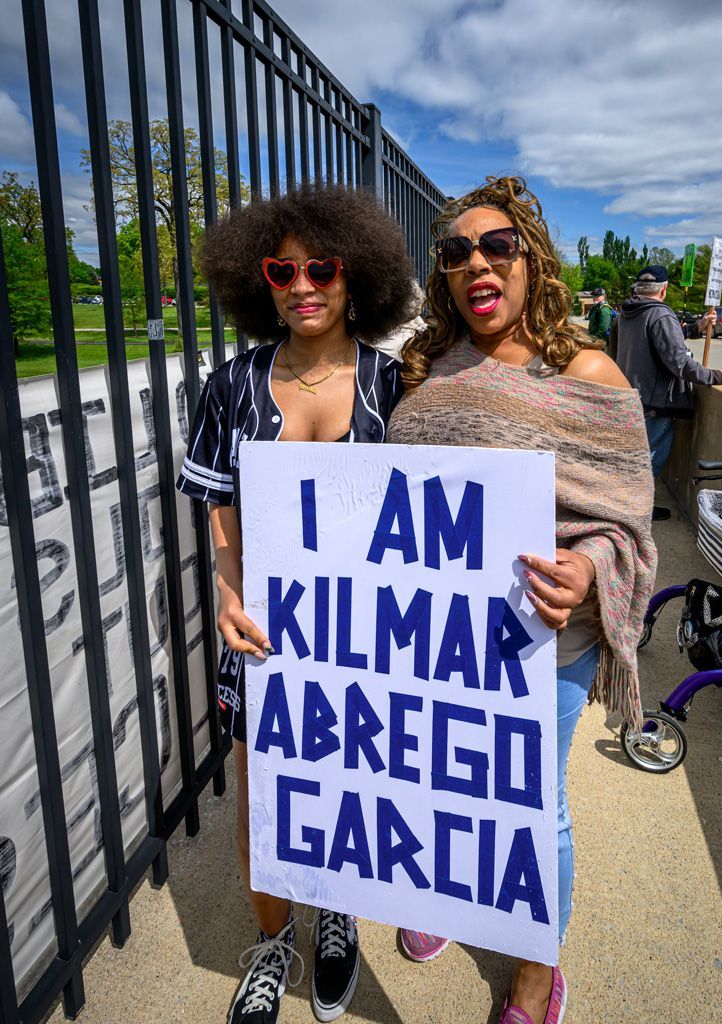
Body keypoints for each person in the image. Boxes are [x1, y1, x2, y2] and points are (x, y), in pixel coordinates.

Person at [387, 176, 657, 1024]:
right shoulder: (425, 370)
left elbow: (626, 522)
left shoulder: (588, 372)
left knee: (532, 806)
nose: (476, 263)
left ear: (531, 260)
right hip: (437, 640)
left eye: (496, 245)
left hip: (550, 641)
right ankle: (447, 898)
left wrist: (590, 572)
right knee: (439, 784)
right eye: (456, 251)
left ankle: (538, 972)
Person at [176, 183, 415, 1024]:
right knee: (264, 790)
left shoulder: (397, 386)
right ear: (260, 279)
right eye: (283, 269)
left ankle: (338, 910)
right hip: (266, 638)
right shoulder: (233, 384)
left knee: (355, 786)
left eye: (324, 267)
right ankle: (275, 944)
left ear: (359, 277)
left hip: (370, 643)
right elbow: (219, 505)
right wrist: (227, 586)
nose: (303, 284)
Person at [611, 265, 722, 521]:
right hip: (656, 402)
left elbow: (657, 341)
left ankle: (625, 506)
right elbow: (678, 361)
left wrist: (695, 328)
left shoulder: (627, 313)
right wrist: (714, 376)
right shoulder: (660, 315)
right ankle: (637, 512)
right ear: (664, 289)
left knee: (633, 457)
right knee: (650, 459)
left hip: (630, 396)